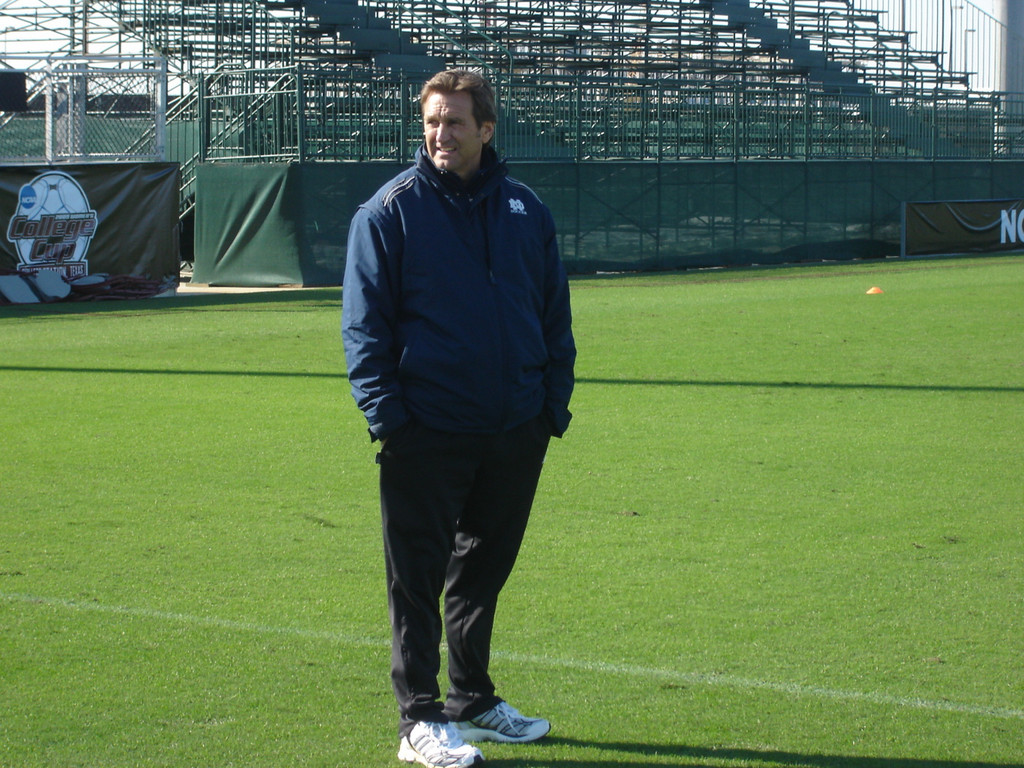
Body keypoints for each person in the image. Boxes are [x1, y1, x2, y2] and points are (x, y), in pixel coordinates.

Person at [341, 69, 576, 768]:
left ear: (487, 129)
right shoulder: (389, 212)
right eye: (433, 121)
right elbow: (364, 331)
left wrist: (548, 409)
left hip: (514, 430)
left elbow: (553, 316)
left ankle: (471, 699)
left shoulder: (527, 212)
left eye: (455, 122)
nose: (441, 134)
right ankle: (418, 720)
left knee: (482, 571)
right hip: (427, 432)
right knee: (414, 578)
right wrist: (393, 422)